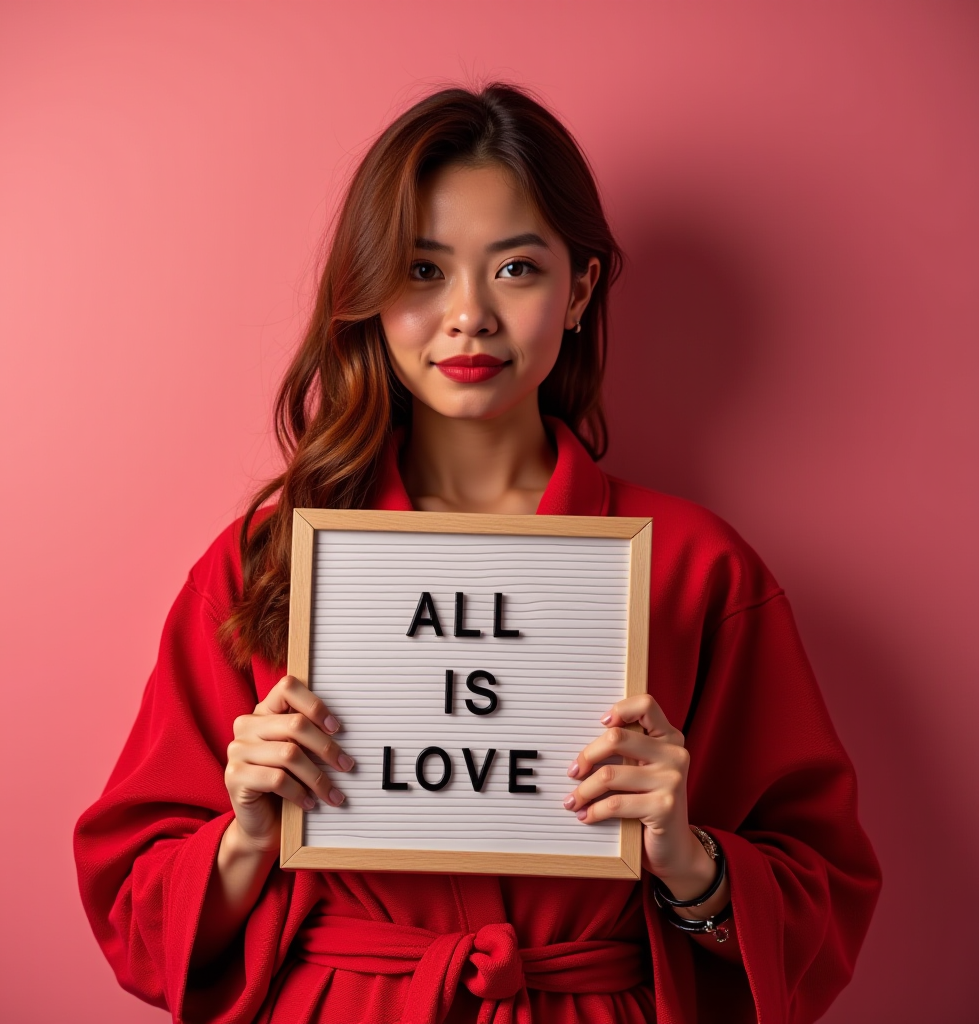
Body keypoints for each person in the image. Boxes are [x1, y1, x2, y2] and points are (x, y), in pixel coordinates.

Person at [74, 83, 880, 1024]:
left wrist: (688, 856)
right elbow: (132, 910)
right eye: (422, 271)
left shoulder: (698, 569)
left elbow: (822, 905)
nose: (468, 316)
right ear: (366, 295)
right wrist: (249, 831)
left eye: (515, 270)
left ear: (578, 291)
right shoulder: (269, 561)